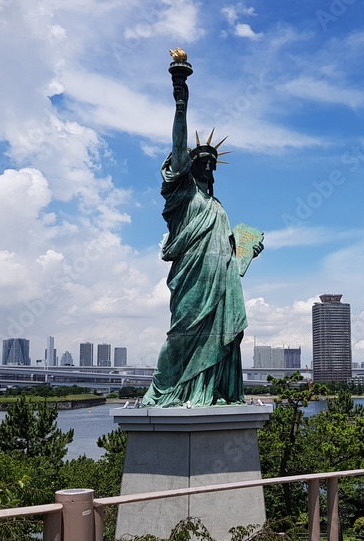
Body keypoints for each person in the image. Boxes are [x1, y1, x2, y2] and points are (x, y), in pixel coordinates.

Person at [140, 64, 261, 408]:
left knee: (220, 335)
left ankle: (212, 391)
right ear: (188, 166)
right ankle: (163, 391)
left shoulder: (218, 204)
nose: (207, 163)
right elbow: (179, 147)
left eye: (212, 160)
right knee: (182, 333)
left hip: (220, 279)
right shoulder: (183, 195)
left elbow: (228, 245)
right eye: (201, 159)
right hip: (192, 276)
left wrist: (247, 249)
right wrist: (181, 103)